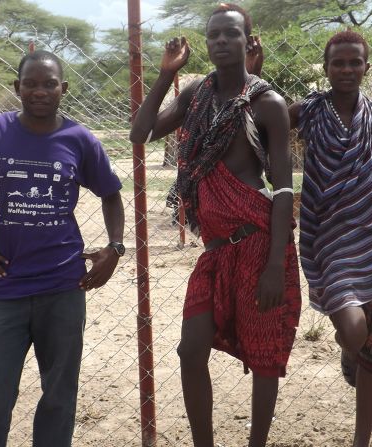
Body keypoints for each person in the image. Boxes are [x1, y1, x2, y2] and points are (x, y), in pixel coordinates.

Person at [0, 50, 125, 446]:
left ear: (63, 89)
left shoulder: (79, 139)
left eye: (49, 83)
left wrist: (114, 248)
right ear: (17, 88)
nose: (40, 91)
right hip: (6, 286)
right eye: (30, 84)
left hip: (64, 286)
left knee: (59, 394)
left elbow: (111, 195)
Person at [129, 4, 301, 446]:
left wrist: (276, 268)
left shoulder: (268, 104)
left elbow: (283, 189)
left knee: (264, 357)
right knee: (190, 351)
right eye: (214, 36)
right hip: (216, 249)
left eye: (231, 34)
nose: (221, 42)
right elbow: (141, 133)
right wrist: (167, 74)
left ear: (248, 40)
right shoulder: (196, 95)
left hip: (260, 243)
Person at [287, 30, 372, 447]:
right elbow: (263, 126)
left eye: (355, 62)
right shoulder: (306, 113)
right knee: (356, 332)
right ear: (326, 68)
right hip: (331, 241)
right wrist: (254, 72)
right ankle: (346, 347)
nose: (347, 69)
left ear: (366, 67)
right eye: (338, 62)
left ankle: (361, 440)